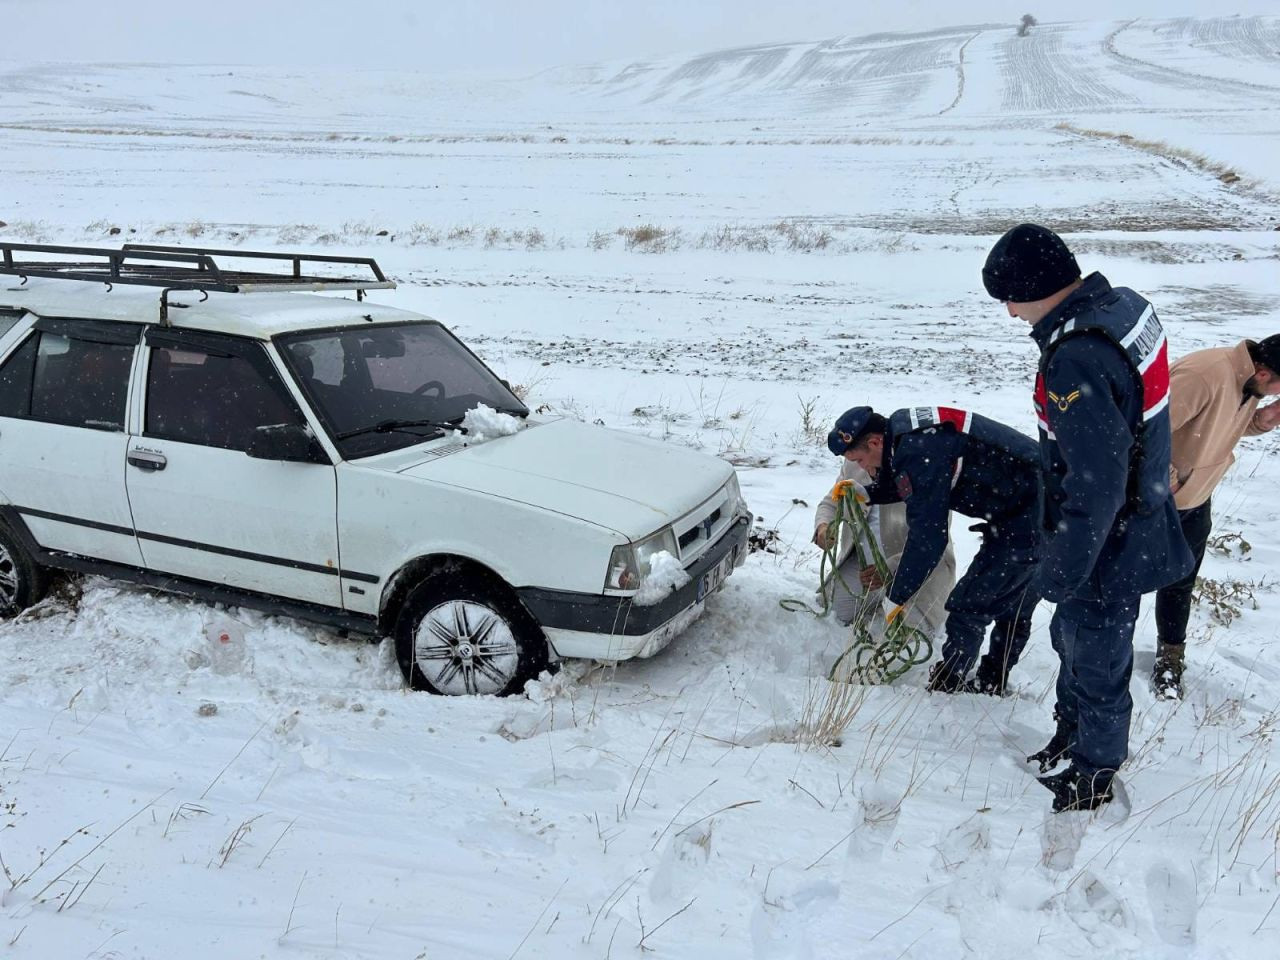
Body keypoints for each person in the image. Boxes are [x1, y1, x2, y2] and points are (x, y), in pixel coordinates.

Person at [983, 223, 1193, 813]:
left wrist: (1063, 569)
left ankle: (1094, 773)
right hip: (1137, 515)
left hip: (1108, 540)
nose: (1009, 313)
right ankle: (1070, 733)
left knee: (1097, 656)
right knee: (1071, 638)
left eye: (1010, 298)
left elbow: (1096, 484)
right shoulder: (1125, 307)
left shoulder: (1074, 357)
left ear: (1035, 287)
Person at [828, 405, 1042, 696]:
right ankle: (991, 681)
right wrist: (871, 493)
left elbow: (928, 538)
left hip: (1033, 515)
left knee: (971, 604)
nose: (864, 469)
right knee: (1012, 600)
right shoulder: (905, 432)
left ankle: (950, 687)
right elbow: (914, 482)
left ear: (876, 442)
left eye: (861, 460)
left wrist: (896, 596)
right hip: (1040, 502)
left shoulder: (916, 449)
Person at [1153, 335, 1280, 697]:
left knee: (1180, 582)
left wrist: (1263, 421)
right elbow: (1145, 428)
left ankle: (1170, 659)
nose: (1271, 396)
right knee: (1125, 584)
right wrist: (1169, 480)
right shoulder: (1205, 373)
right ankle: (1108, 662)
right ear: (1264, 370)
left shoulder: (1249, 381)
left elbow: (1219, 427)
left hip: (1197, 498)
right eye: (1275, 391)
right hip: (1157, 502)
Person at [813, 422, 955, 639]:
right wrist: (824, 527)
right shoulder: (854, 465)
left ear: (875, 444)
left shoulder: (921, 469)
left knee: (907, 637)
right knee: (837, 613)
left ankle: (895, 603)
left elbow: (931, 542)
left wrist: (889, 570)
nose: (857, 466)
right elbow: (831, 502)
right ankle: (877, 601)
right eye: (852, 461)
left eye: (859, 459)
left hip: (915, 569)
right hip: (864, 567)